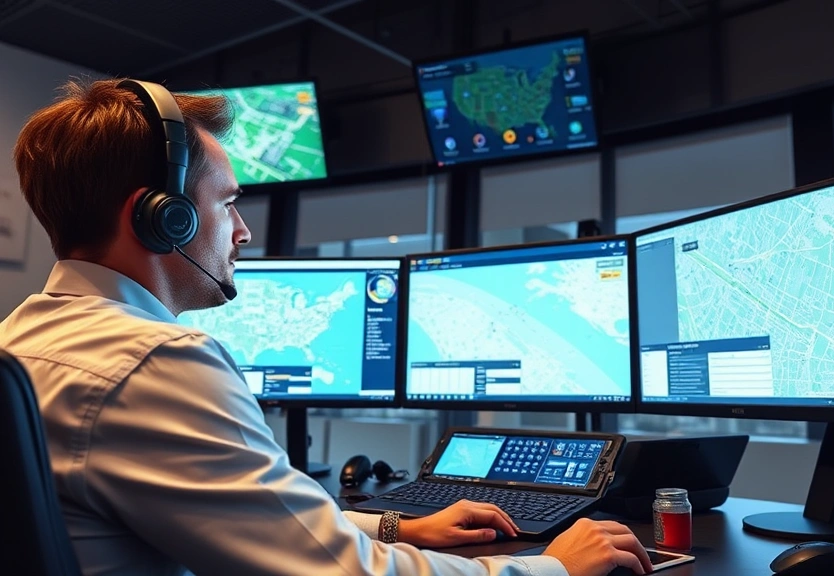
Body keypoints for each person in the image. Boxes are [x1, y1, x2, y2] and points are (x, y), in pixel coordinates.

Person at [0, 77, 654, 576]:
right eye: (227, 203)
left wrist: (394, 526)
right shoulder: (153, 362)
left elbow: (249, 518)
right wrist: (552, 566)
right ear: (160, 218)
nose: (243, 231)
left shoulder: (24, 340)